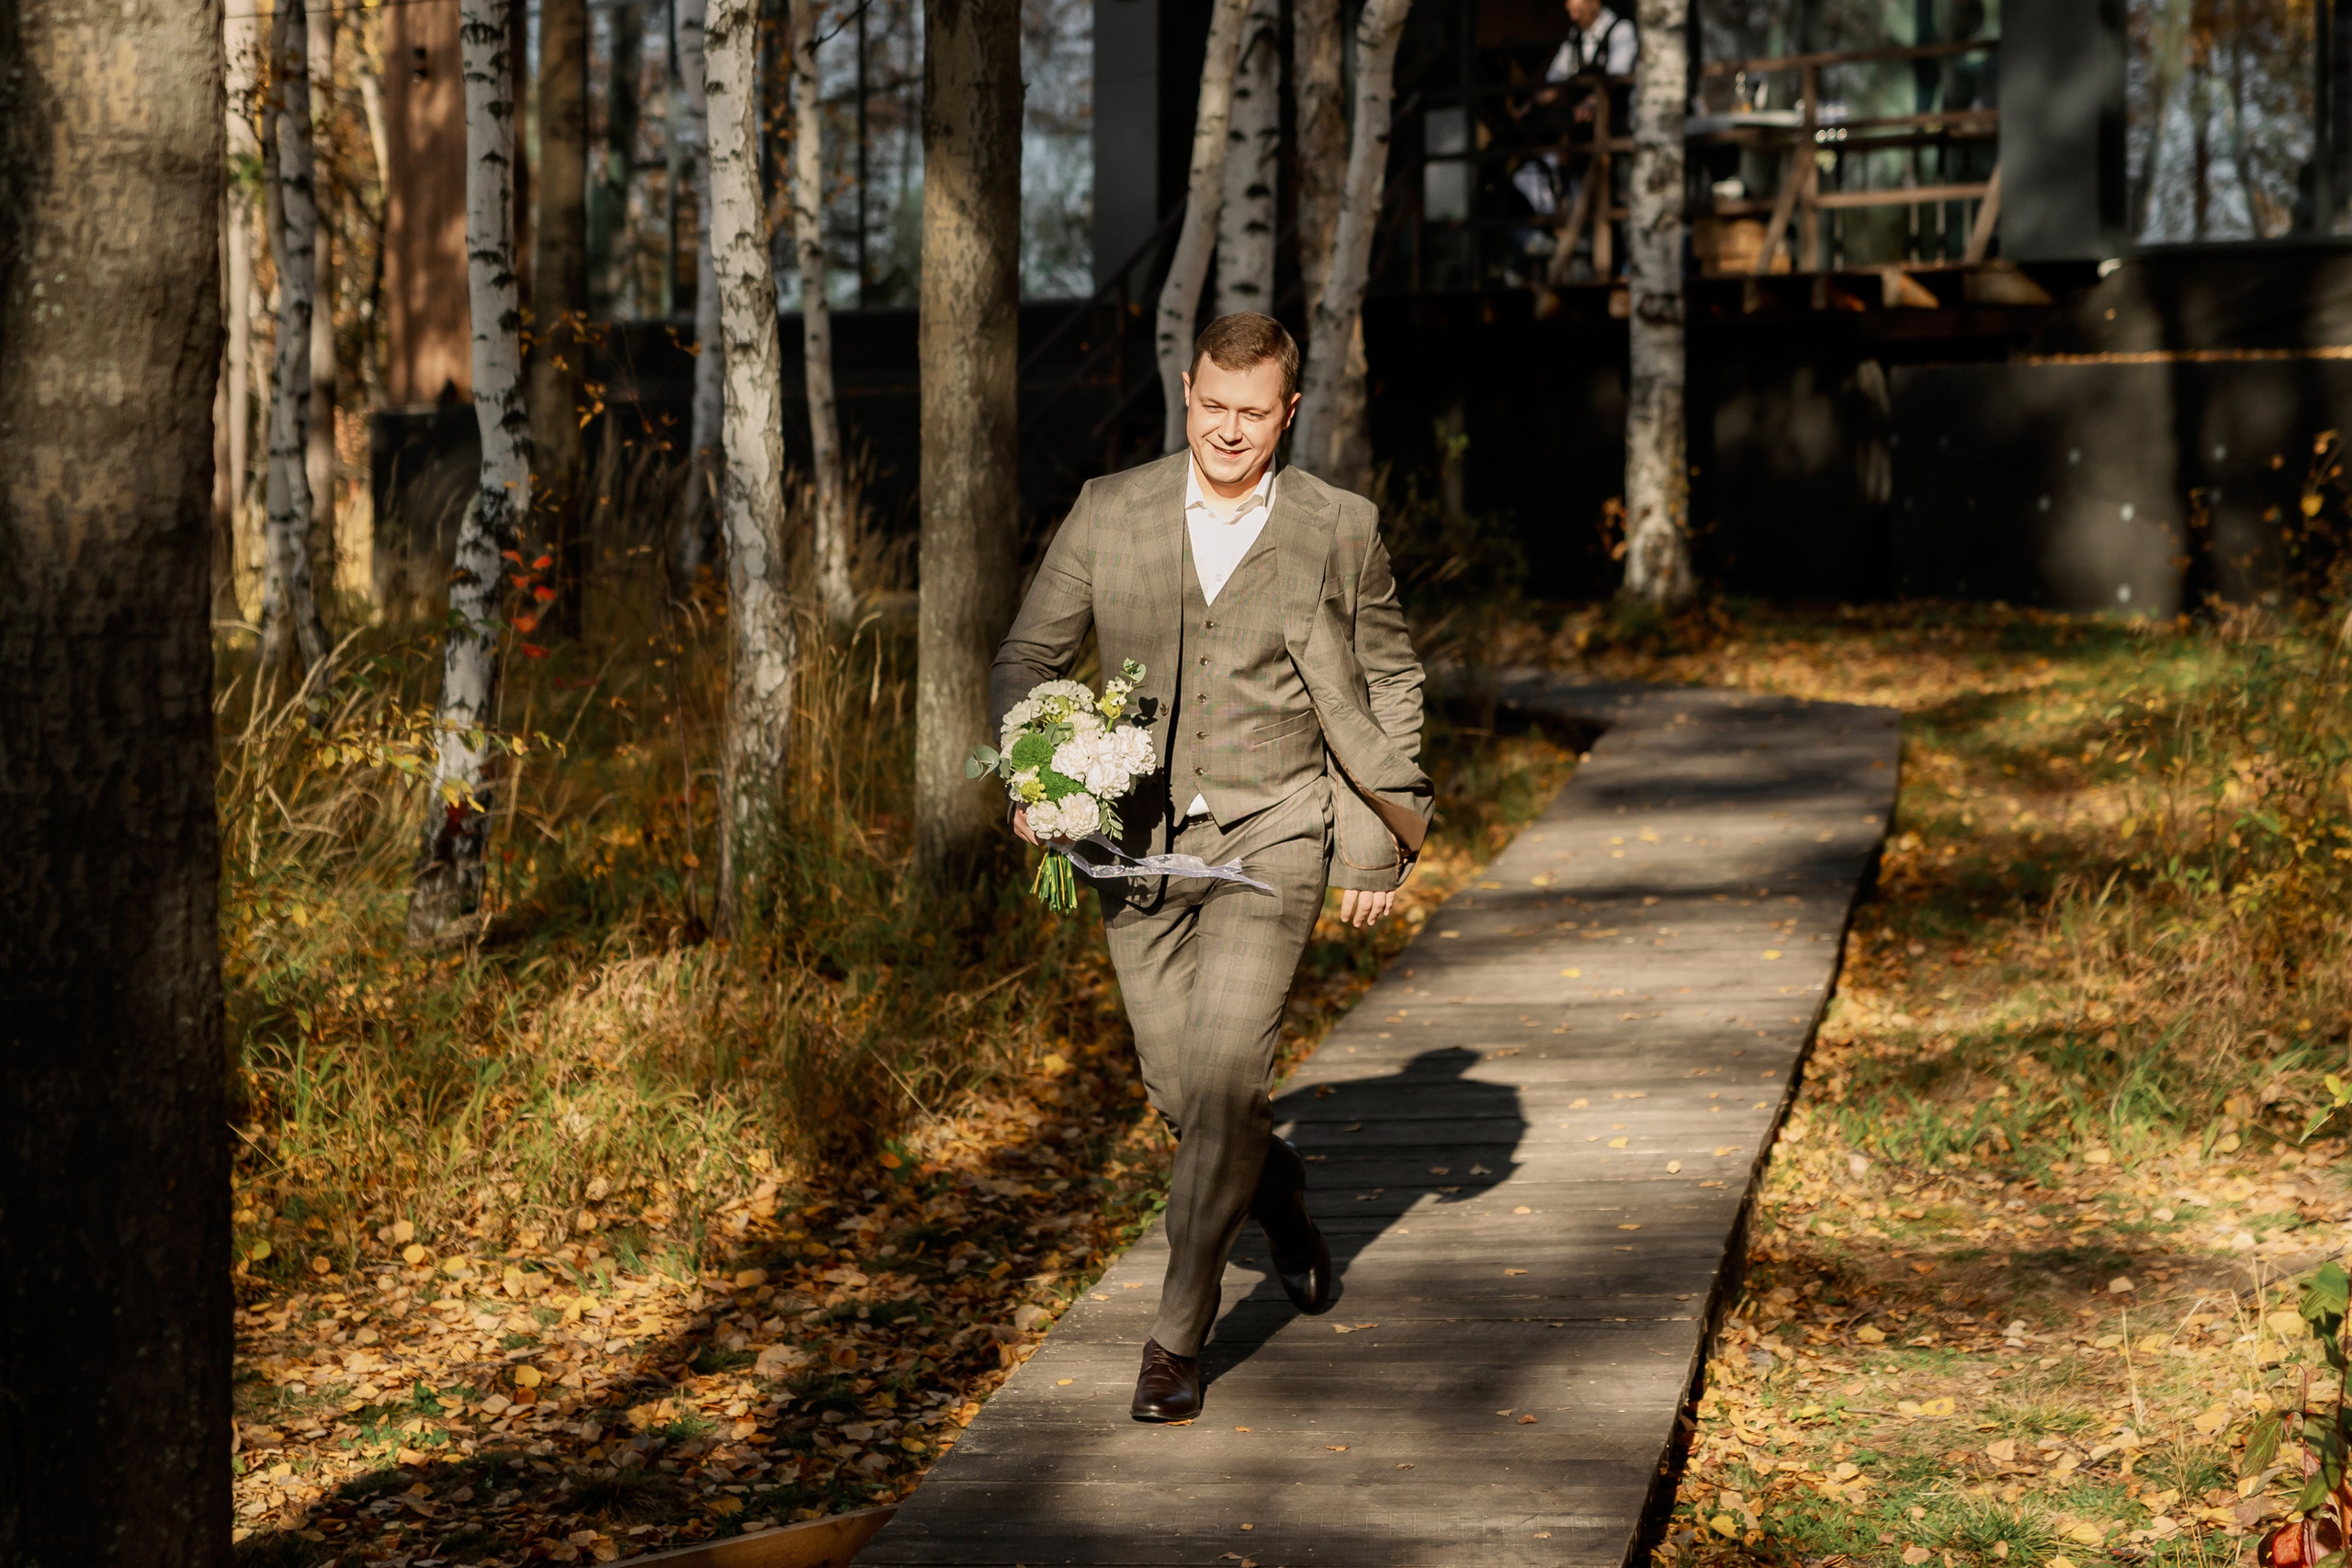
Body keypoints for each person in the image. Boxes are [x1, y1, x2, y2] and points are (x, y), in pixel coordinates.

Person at [991, 312, 1431, 1423]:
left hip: (1278, 828)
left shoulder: (1340, 527)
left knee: (1228, 1075)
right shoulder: (1110, 510)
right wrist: (1037, 777)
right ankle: (1277, 1194)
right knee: (1184, 1095)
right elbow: (1028, 659)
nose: (1229, 433)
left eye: (1254, 414)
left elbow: (1391, 680)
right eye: (1212, 408)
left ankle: (1175, 1339)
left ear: (1289, 410)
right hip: (1133, 846)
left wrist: (1374, 836)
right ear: (1186, 391)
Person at [1510, 0, 1639, 238]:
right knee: (1584, 196)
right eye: (1569, 10)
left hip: (1620, 131)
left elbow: (1616, 77)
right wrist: (1531, 104)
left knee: (1622, 195)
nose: (1572, 16)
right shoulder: (1575, 37)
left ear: (1594, 3)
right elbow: (1556, 78)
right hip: (1585, 135)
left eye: (1576, 10)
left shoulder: (1621, 31)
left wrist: (1591, 102)